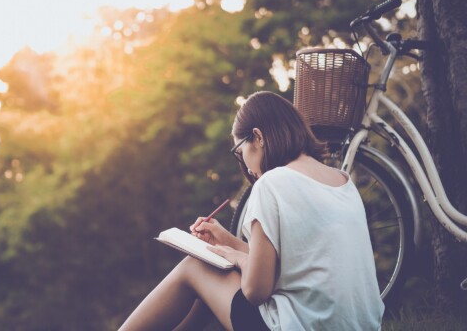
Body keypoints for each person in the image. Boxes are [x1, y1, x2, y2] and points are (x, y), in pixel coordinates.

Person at [119, 91, 384, 330]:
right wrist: (228, 243)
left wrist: (236, 258)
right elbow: (298, 262)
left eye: (239, 149)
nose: (243, 162)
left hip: (301, 325)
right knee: (212, 274)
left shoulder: (272, 183)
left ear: (257, 137)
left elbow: (256, 290)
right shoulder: (342, 181)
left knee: (195, 267)